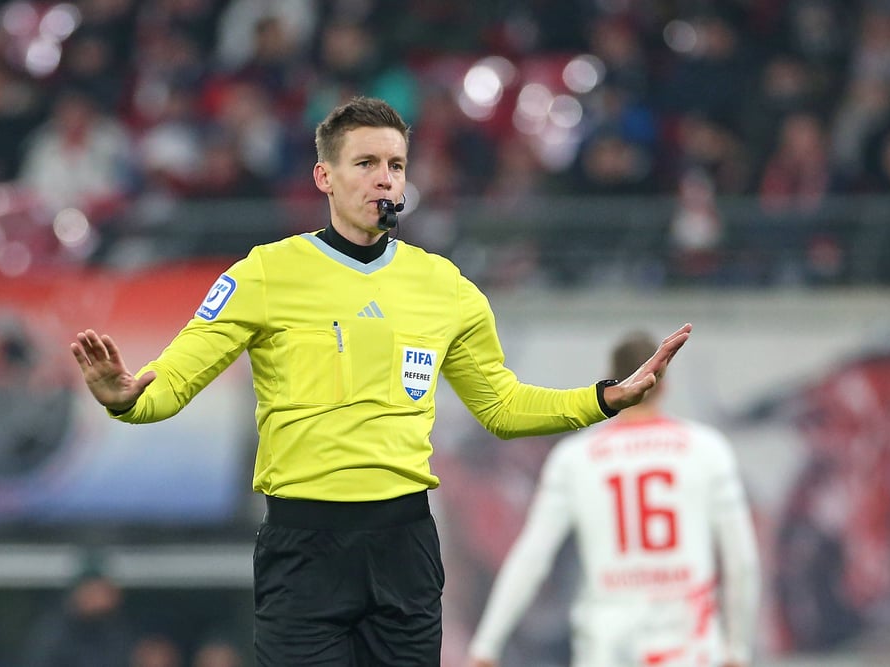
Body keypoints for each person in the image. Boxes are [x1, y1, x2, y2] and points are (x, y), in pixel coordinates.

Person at [70, 96, 693, 666]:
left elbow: (503, 407)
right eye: (366, 162)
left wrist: (606, 397)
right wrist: (129, 400)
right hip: (304, 548)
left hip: (405, 547)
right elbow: (175, 378)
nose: (384, 177)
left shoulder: (445, 288)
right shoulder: (266, 273)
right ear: (324, 177)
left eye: (395, 164)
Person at [467, 331, 760, 667]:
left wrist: (486, 646)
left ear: (620, 382)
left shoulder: (576, 457)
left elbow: (532, 557)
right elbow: (742, 561)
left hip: (607, 643)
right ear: (664, 383)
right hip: (688, 640)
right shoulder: (707, 449)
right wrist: (737, 648)